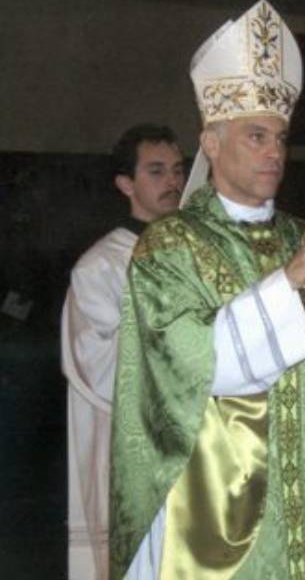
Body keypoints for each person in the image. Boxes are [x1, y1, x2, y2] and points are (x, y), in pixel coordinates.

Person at [108, 0, 305, 580]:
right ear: (213, 141)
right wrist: (289, 285)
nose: (275, 152)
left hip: (302, 499)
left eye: (280, 136)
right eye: (256, 136)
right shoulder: (169, 246)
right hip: (209, 514)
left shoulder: (304, 236)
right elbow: (200, 367)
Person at [61, 123, 185, 580]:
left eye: (177, 170)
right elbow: (97, 365)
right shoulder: (101, 266)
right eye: (156, 171)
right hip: (132, 449)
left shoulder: (194, 254)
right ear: (125, 183)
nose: (172, 182)